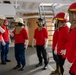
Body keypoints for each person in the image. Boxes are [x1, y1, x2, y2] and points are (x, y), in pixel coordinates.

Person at [63, 2, 76, 75]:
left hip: (73, 67)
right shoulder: (73, 29)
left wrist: (67, 66)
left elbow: (73, 51)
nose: (68, 17)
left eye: (70, 14)